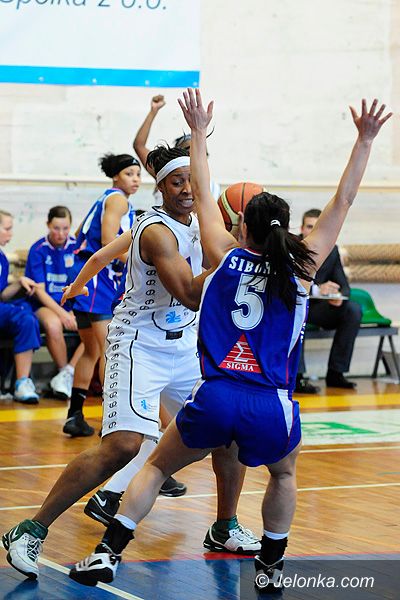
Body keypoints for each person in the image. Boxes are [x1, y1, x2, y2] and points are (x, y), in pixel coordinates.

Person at [61, 91, 390, 591]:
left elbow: (202, 188)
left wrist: (197, 132)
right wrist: (364, 140)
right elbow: (343, 201)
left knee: (155, 468)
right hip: (270, 401)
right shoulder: (303, 267)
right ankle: (271, 568)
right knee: (283, 475)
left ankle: (107, 553)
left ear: (240, 226)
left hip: (215, 395)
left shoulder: (222, 255)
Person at [2, 141, 260, 581]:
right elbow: (190, 293)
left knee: (229, 430)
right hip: (140, 343)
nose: (185, 189)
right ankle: (30, 529)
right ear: (160, 187)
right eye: (175, 182)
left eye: (190, 181)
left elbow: (101, 256)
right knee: (122, 446)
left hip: (185, 345)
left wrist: (77, 285)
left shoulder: (201, 221)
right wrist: (238, 256)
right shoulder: (156, 231)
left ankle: (224, 527)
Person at [63, 153, 141, 436]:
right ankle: (112, 419)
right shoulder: (118, 200)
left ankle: (75, 415)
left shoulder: (104, 199)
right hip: (98, 281)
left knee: (91, 350)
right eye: (129, 174)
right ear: (116, 176)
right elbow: (109, 241)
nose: (136, 179)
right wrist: (139, 262)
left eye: (138, 174)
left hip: (87, 279)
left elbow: (79, 234)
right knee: (110, 350)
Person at [297, 208, 362, 389]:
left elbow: (344, 286)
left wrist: (338, 296)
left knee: (353, 310)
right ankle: (297, 377)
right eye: (309, 227)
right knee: (297, 314)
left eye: (317, 227)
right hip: (296, 305)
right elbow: (290, 283)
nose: (313, 231)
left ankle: (336, 373)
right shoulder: (292, 246)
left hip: (319, 309)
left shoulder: (331, 250)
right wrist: (317, 289)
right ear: (301, 229)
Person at [25, 206, 84, 399]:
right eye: (56, 228)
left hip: (71, 303)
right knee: (53, 324)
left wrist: (74, 310)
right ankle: (62, 371)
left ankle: (68, 372)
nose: (61, 233)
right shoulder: (38, 249)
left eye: (65, 228)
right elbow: (39, 291)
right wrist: (63, 314)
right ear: (48, 225)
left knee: (95, 325)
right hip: (44, 305)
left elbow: (83, 283)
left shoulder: (76, 247)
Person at [133, 94, 221, 204]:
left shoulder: (213, 187)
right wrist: (153, 111)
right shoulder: (167, 172)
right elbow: (139, 145)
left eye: (200, 150)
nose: (194, 153)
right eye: (177, 183)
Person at [0, 210, 41, 403]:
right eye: (7, 229)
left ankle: (22, 382)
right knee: (23, 315)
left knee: (26, 315)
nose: (11, 234)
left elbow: (2, 294)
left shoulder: (2, 258)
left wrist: (19, 282)